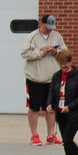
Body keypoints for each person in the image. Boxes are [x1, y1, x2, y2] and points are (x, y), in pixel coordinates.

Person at [20, 14, 66, 145]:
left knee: (50, 108)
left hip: (52, 79)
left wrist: (55, 52)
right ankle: (34, 135)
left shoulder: (57, 36)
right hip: (35, 78)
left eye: (52, 27)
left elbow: (65, 51)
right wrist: (41, 52)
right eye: (48, 27)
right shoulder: (32, 37)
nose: (50, 30)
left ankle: (51, 135)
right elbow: (24, 53)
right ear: (42, 24)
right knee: (34, 107)